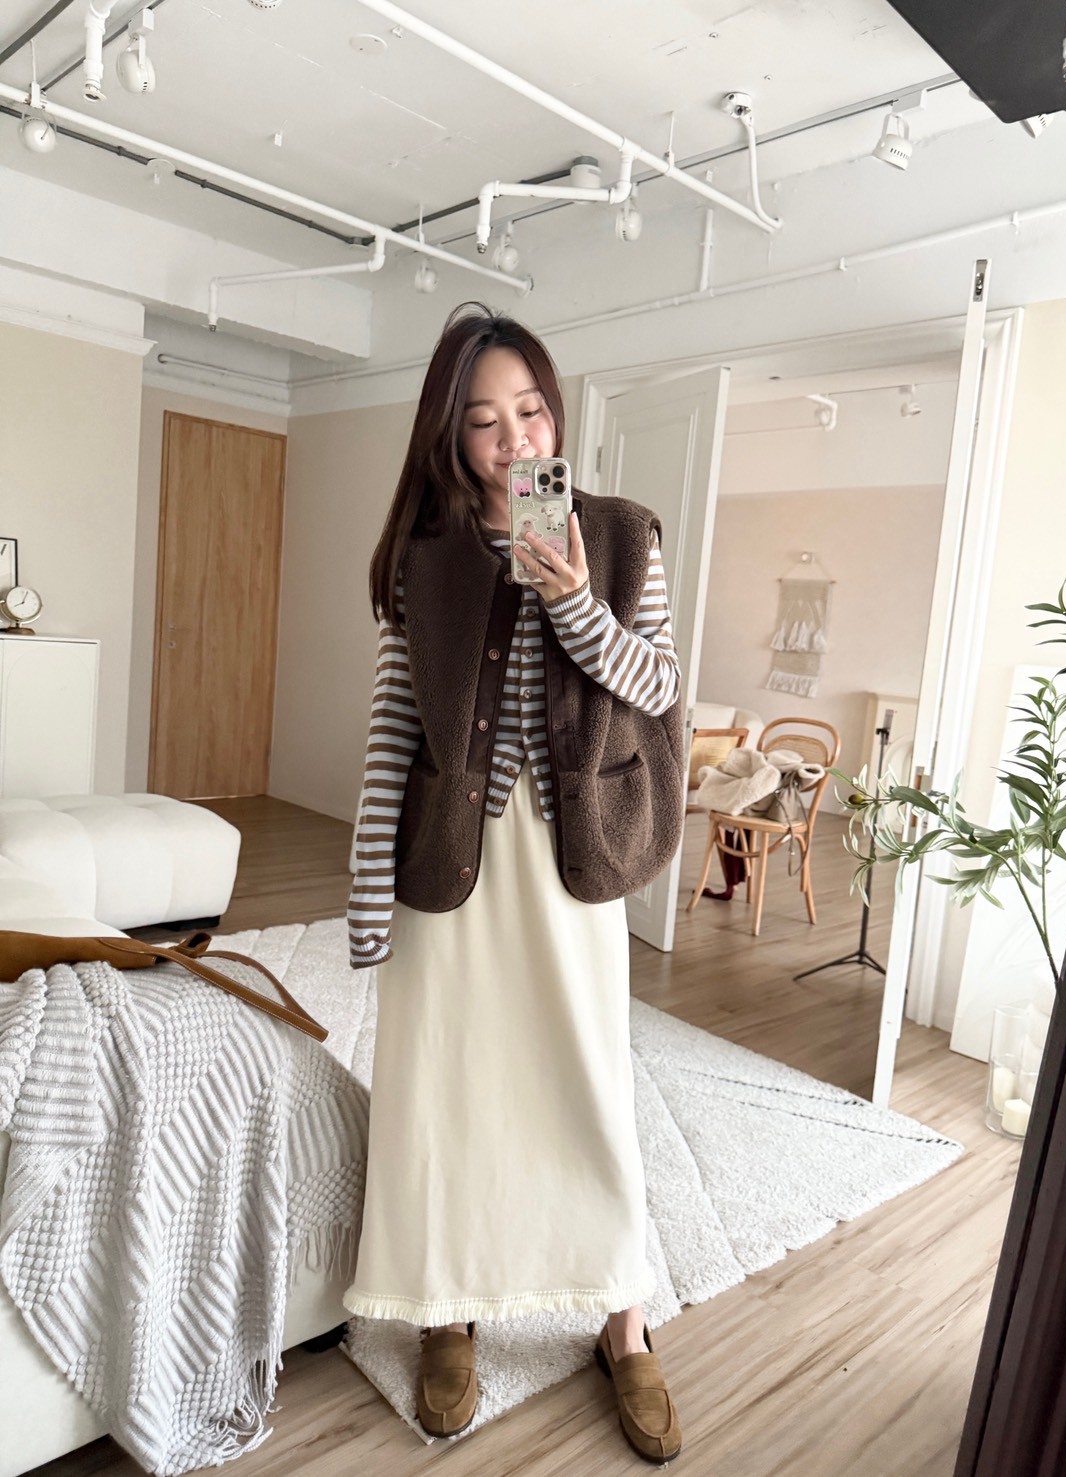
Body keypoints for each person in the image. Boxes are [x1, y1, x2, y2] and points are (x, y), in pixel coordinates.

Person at [344, 303, 686, 1465]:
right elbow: (394, 727)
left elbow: (657, 688)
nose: (513, 440)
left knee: (585, 1082)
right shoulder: (427, 558)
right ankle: (447, 1306)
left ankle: (621, 1315)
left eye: (530, 410)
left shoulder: (623, 533)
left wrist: (572, 597)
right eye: (484, 421)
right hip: (450, 859)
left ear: (555, 410)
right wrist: (364, 889)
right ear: (451, 437)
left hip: (569, 856)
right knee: (443, 1086)